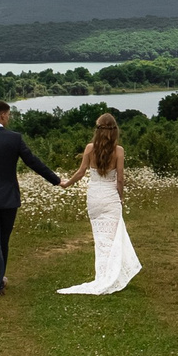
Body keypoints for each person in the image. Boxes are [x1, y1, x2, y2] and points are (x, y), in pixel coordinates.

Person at [0, 100, 60, 296]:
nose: (9, 118)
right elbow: (33, 162)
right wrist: (56, 180)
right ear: (2, 115)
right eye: (8, 115)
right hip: (9, 198)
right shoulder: (14, 138)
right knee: (3, 239)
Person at [56, 112, 142, 295]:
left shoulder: (89, 148)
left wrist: (66, 184)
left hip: (94, 197)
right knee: (112, 239)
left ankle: (104, 275)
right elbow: (120, 179)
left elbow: (80, 173)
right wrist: (121, 197)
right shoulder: (119, 151)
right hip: (110, 197)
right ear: (115, 130)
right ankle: (111, 276)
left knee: (100, 240)